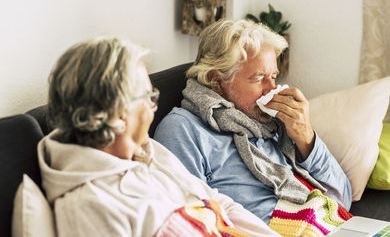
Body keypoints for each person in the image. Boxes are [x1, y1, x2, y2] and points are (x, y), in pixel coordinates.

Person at [37, 36, 280, 236]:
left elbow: (216, 201)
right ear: (119, 114)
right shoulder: (90, 206)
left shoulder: (148, 152)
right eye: (148, 97)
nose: (155, 107)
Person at [154, 19, 352, 226]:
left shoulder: (275, 124)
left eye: (274, 76)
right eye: (258, 78)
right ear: (216, 81)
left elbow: (342, 200)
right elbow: (188, 223)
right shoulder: (183, 129)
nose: (271, 88)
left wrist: (307, 139)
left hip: (326, 226)